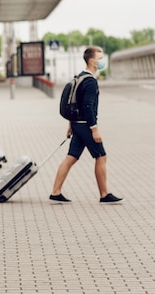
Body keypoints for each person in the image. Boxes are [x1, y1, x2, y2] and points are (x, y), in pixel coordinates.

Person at [49, 46, 123, 204]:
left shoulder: (79, 77)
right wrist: (94, 129)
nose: (103, 61)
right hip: (86, 126)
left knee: (71, 157)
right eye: (100, 58)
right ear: (92, 61)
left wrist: (70, 125)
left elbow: (75, 103)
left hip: (77, 124)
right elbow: (87, 106)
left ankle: (55, 192)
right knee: (101, 156)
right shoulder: (90, 82)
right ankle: (104, 194)